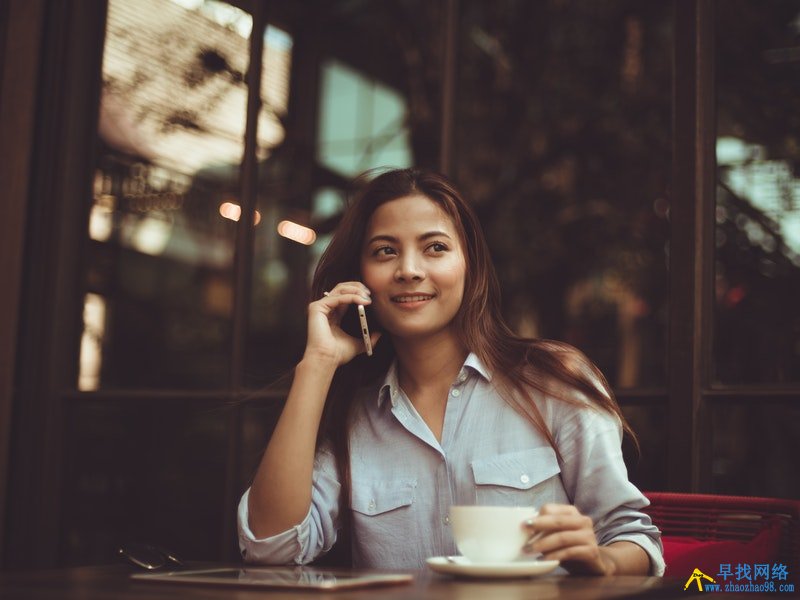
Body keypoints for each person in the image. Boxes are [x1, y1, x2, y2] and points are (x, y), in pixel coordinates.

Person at [238, 167, 665, 576]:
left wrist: (602, 561)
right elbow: (270, 547)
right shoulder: (352, 415)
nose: (408, 270)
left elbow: (633, 538)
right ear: (361, 277)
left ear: (469, 266)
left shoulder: (552, 382)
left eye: (435, 247)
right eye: (385, 251)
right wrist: (317, 365)